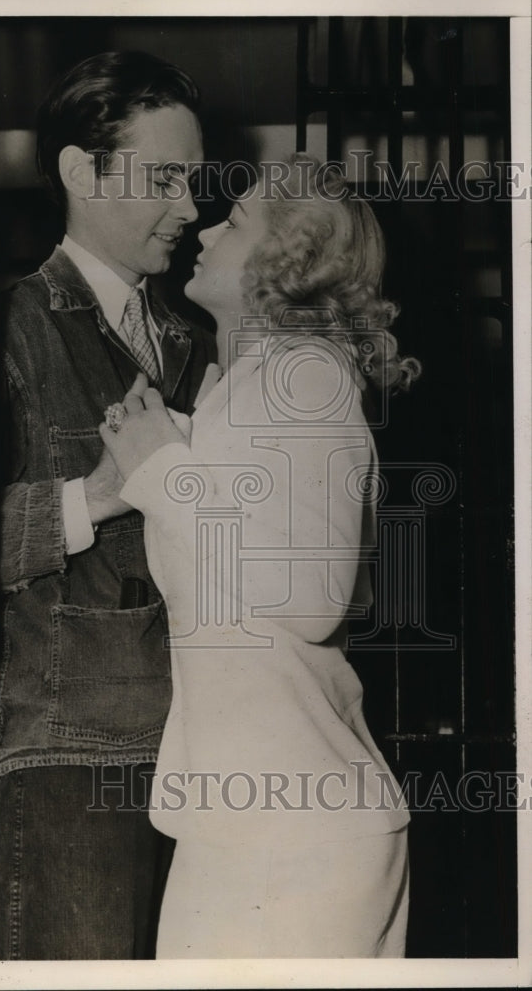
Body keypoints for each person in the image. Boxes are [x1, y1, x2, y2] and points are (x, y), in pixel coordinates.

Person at [101, 155, 421, 958]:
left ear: (290, 258)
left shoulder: (302, 373)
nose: (205, 230)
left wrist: (162, 471)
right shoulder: (245, 386)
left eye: (235, 221)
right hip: (256, 818)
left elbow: (309, 595)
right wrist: (168, 451)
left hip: (293, 830)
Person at [0, 51, 216, 960]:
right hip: (67, 761)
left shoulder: (198, 341)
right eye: (166, 178)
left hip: (202, 750)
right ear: (81, 171)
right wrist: (104, 492)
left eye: (193, 180)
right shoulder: (3, 333)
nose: (190, 208)